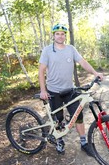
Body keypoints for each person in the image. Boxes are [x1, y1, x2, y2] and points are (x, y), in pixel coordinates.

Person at [38, 23, 104, 156]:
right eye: (57, 34)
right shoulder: (47, 50)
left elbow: (83, 62)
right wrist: (43, 90)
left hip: (70, 90)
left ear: (65, 36)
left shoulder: (71, 49)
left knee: (78, 115)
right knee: (58, 119)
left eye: (63, 34)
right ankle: (60, 140)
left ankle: (84, 143)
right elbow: (41, 70)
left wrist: (95, 73)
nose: (60, 36)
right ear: (53, 36)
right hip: (53, 91)